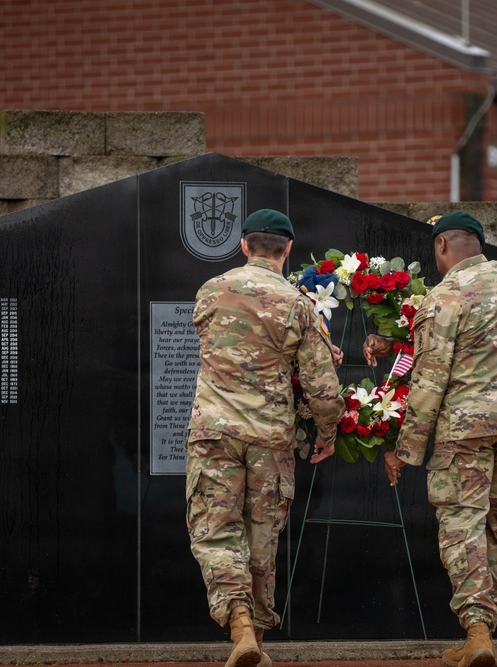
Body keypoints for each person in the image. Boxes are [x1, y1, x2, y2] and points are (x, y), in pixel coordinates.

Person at [365, 211, 497, 667]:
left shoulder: (445, 296)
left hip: (465, 430)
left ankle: (477, 630)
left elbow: (428, 380)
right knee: (492, 526)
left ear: (441, 246)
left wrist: (404, 451)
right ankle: (481, 630)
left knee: (462, 526)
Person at [185, 208, 345, 667]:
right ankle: (253, 633)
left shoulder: (211, 291)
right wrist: (328, 433)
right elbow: (322, 389)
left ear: (243, 246)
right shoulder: (299, 305)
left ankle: (238, 625)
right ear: (289, 249)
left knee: (216, 532)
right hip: (270, 437)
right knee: (261, 535)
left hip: (214, 431)